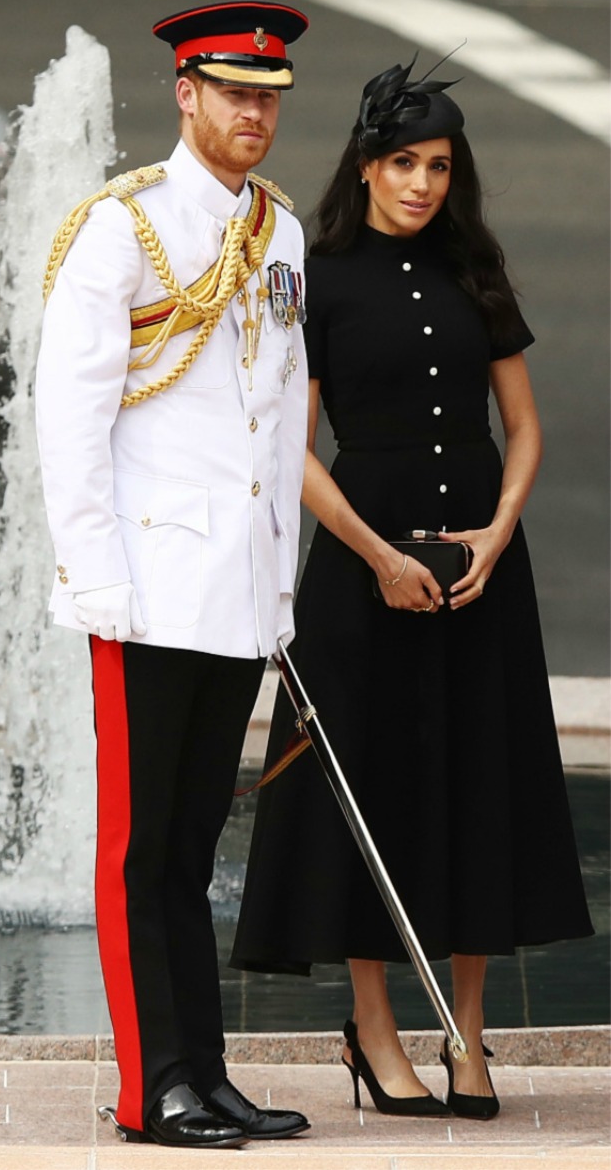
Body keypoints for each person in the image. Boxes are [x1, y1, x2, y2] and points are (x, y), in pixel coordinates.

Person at [231, 58, 594, 1122]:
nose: (421, 183)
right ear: (366, 165)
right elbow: (289, 452)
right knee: (369, 792)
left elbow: (521, 425)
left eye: (438, 165)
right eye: (403, 163)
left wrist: (498, 531)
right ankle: (374, 1031)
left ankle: (468, 1036)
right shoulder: (317, 272)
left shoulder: (472, 267)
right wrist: (378, 555)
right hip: (360, 567)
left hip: (483, 570)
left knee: (481, 781)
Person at [34, 1, 312, 1150]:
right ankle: (154, 1089)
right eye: (232, 93)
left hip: (234, 593)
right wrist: (93, 573)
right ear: (185, 93)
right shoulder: (121, 230)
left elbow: (280, 412)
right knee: (140, 850)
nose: (253, 114)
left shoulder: (280, 234)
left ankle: (207, 1070)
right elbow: (71, 415)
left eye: (269, 97)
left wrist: (279, 584)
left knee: (194, 846)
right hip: (145, 588)